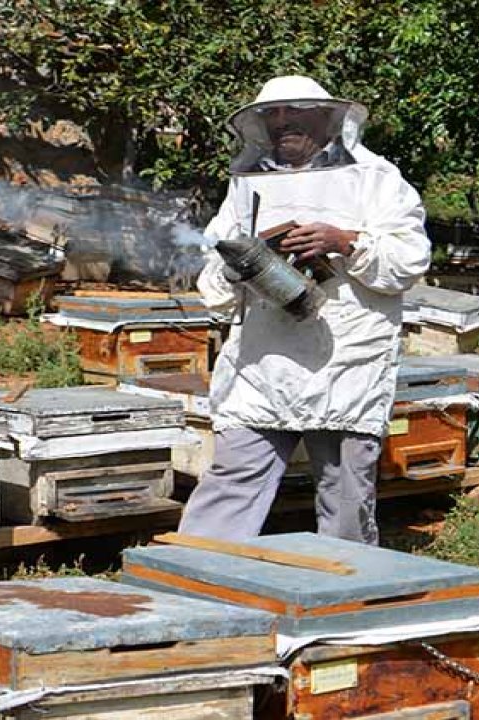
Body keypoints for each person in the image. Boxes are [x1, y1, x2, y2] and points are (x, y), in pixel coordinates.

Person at [178, 75, 431, 545]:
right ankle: (196, 581)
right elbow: (212, 283)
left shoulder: (375, 179)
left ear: (326, 116)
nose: (281, 122)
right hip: (262, 364)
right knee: (231, 480)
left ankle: (345, 594)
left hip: (347, 361)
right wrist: (242, 264)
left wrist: (344, 242)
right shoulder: (245, 186)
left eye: (292, 111)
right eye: (270, 115)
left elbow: (408, 261)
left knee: (346, 496)